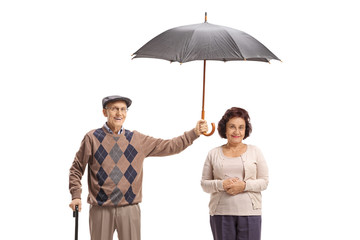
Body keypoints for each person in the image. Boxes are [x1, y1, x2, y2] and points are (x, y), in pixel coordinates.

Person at [69, 95, 208, 240]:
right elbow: (76, 169)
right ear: (105, 112)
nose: (119, 113)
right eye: (114, 109)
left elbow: (170, 146)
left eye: (123, 109)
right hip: (100, 208)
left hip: (130, 208)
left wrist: (194, 133)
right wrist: (76, 196)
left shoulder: (137, 140)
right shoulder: (92, 138)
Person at [201, 107, 269, 240]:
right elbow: (204, 184)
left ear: (246, 130)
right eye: (232, 126)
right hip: (220, 214)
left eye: (241, 127)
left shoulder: (255, 151)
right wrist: (222, 184)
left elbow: (264, 182)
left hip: (250, 214)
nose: (237, 131)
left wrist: (244, 186)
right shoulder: (213, 153)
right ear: (224, 129)